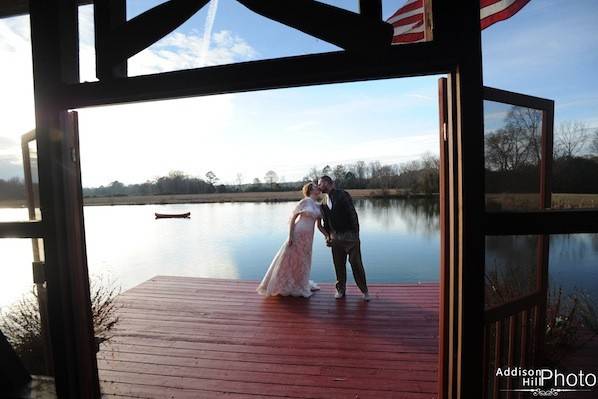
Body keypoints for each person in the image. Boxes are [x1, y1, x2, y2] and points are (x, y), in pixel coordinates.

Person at [257, 182, 328, 297]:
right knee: (290, 259)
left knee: (303, 260)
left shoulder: (318, 205)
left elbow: (319, 226)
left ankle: (300, 283)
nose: (318, 188)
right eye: (315, 187)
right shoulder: (304, 202)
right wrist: (291, 236)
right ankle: (282, 284)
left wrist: (327, 235)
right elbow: (293, 219)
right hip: (298, 233)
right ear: (310, 190)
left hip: (308, 238)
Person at [318, 175, 370, 301]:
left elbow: (353, 214)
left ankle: (365, 291)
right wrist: (328, 236)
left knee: (356, 264)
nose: (319, 186)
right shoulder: (323, 202)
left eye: (320, 184)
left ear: (326, 183)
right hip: (335, 238)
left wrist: (356, 235)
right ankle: (341, 290)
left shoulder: (343, 195)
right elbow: (326, 222)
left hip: (350, 237)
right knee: (338, 265)